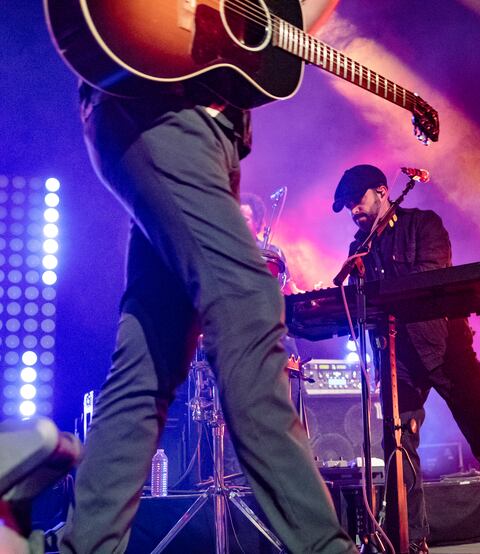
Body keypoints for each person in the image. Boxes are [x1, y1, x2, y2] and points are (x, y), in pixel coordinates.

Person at [59, 2, 356, 553]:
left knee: (152, 357)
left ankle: (88, 544)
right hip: (158, 105)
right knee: (248, 301)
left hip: (203, 129)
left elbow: (283, 23)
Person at [332, 165, 480, 554]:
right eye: (347, 206)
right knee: (399, 444)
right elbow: (362, 304)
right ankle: (408, 539)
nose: (353, 210)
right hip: (398, 358)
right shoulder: (359, 249)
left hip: (446, 348)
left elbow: (428, 279)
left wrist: (377, 289)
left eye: (358, 200)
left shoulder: (424, 225)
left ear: (383, 191)